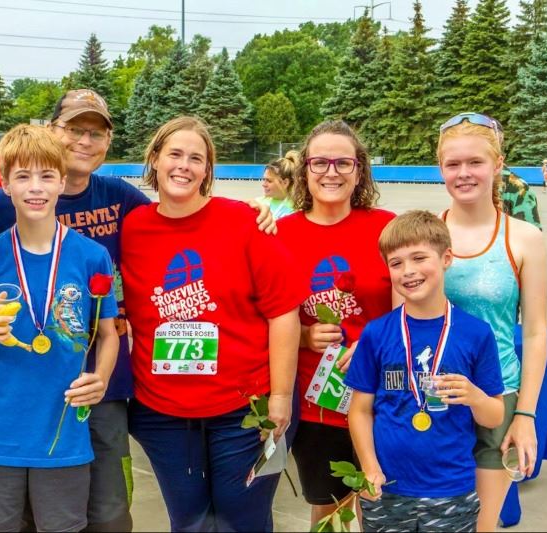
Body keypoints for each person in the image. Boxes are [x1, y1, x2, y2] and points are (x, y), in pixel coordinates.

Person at [0, 89, 275, 532]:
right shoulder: (1, 205)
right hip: (27, 385)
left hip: (105, 384)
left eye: (96, 133)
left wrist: (254, 211)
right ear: (53, 131)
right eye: (75, 130)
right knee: (25, 512)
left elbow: (178, 218)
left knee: (108, 509)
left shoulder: (123, 200)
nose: (85, 142)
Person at [121, 116, 304, 532]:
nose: (184, 165)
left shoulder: (245, 222)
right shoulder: (133, 227)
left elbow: (283, 313)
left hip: (243, 410)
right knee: (189, 522)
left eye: (196, 158)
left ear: (208, 170)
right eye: (174, 154)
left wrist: (279, 398)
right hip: (162, 411)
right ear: (154, 159)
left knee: (242, 521)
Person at [0, 124, 119, 532]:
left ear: (62, 182)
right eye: (23, 176)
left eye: (46, 176)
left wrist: (100, 378)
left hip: (64, 432)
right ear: (5, 185)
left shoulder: (92, 257)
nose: (36, 188)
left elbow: (108, 334)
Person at [346, 210, 504, 532]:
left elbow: (495, 416)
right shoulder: (376, 334)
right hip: (387, 488)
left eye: (419, 258)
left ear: (446, 258)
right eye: (396, 263)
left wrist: (475, 397)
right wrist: (369, 466)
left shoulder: (476, 334)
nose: (408, 271)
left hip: (451, 491)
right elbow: (360, 412)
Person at [275, 120, 396, 528]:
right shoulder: (279, 234)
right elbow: (265, 317)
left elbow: (419, 302)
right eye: (320, 162)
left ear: (359, 170)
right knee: (331, 511)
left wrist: (376, 342)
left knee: (381, 506)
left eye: (343, 163)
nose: (331, 172)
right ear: (304, 170)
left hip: (384, 397)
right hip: (317, 404)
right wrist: (304, 336)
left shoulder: (386, 227)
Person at [437, 112, 547, 532]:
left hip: (498, 397)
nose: (464, 174)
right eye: (453, 164)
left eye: (475, 162)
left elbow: (536, 333)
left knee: (480, 525)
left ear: (498, 164)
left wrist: (526, 416)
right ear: (440, 168)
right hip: (433, 396)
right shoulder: (425, 234)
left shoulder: (524, 239)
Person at [255, 151, 299, 219]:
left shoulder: (296, 210)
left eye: (269, 181)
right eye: (264, 179)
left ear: (285, 183)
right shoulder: (257, 203)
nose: (263, 184)